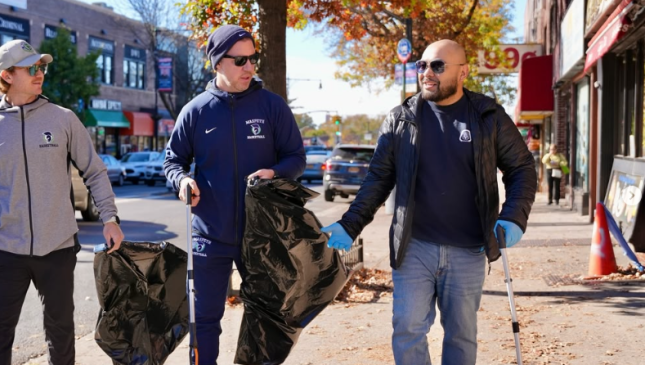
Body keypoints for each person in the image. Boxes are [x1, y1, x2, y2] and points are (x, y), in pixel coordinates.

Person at [322, 40, 537, 365]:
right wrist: (350, 224)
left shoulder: (487, 115)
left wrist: (514, 217)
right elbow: (378, 179)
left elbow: (521, 167)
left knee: (461, 335)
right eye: (422, 65)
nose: (426, 73)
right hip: (413, 249)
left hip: (469, 251)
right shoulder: (401, 119)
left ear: (462, 72)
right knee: (407, 330)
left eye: (437, 66)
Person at [0, 39, 124, 364]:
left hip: (58, 245)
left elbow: (94, 170)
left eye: (42, 66)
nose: (40, 73)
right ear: (7, 75)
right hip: (5, 248)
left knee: (60, 333)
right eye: (32, 67)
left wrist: (110, 217)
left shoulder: (63, 119)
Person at [163, 24, 306, 365]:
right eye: (240, 60)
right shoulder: (195, 111)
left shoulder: (272, 107)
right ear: (218, 63)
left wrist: (275, 172)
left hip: (261, 235)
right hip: (209, 236)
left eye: (253, 58)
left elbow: (296, 157)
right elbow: (172, 161)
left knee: (266, 318)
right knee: (203, 320)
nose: (249, 67)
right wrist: (182, 180)